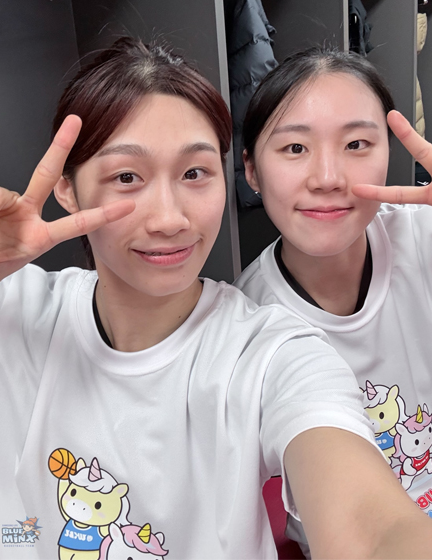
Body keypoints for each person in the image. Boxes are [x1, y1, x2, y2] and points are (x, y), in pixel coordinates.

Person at [0, 37, 431, 560]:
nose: (169, 219)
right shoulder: (8, 312)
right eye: (127, 177)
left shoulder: (271, 353)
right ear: (67, 188)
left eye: (194, 173)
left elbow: (370, 530)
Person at [234, 46, 432, 556]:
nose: (327, 177)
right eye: (295, 148)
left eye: (357, 143)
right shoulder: (245, 327)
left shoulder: (423, 238)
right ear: (251, 170)